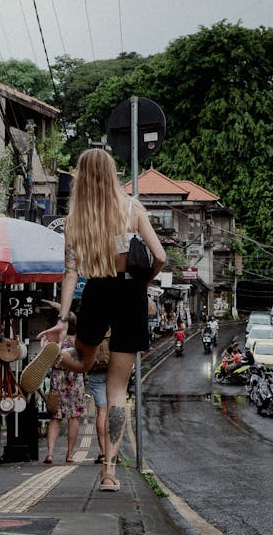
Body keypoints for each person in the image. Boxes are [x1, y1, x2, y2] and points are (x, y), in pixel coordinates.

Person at [23, 147, 166, 492]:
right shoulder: (132, 209)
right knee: (117, 391)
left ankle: (61, 356)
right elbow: (160, 255)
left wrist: (61, 318)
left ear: (81, 178)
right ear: (112, 172)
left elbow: (70, 273)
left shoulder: (76, 220)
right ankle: (109, 471)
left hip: (97, 292)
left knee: (86, 364)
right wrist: (144, 281)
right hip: (130, 294)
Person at [43, 314, 88, 464]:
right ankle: (69, 454)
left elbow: (46, 357)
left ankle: (50, 453)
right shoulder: (79, 339)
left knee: (55, 417)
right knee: (73, 417)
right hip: (75, 379)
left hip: (57, 378)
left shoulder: (54, 339)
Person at [85, 333, 111, 464]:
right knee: (114, 410)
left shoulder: (91, 326)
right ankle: (113, 452)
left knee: (102, 411)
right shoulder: (115, 325)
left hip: (95, 371)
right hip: (113, 370)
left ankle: (103, 452)